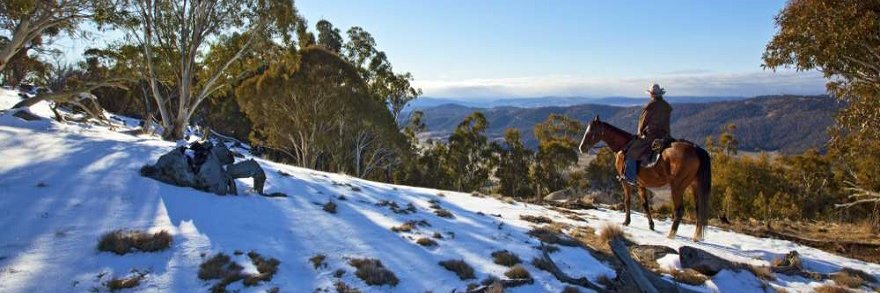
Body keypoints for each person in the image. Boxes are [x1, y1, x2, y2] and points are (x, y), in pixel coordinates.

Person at [623, 83, 673, 186]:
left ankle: (630, 178)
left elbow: (642, 121)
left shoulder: (650, 106)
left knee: (631, 152)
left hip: (651, 136)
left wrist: (639, 133)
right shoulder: (666, 106)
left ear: (651, 94)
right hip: (665, 136)